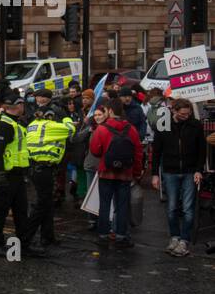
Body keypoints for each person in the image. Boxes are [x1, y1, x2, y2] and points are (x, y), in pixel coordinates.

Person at [0, 93, 45, 259]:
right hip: (5, 175)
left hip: (17, 174)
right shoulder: (4, 124)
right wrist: (1, 176)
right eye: (23, 104)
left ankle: (24, 244)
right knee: (0, 212)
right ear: (18, 106)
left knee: (21, 211)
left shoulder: (15, 122)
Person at [151, 96, 205, 257]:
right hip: (170, 170)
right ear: (173, 111)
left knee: (188, 208)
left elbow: (201, 150)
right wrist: (155, 174)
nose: (185, 117)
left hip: (189, 170)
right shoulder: (163, 125)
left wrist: (198, 170)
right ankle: (175, 237)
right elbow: (157, 151)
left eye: (187, 114)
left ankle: (184, 240)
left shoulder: (195, 125)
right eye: (182, 114)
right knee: (172, 207)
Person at [88, 97, 143, 248]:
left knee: (105, 204)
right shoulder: (131, 129)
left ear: (110, 111)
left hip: (106, 171)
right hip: (125, 172)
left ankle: (103, 235)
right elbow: (138, 152)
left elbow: (94, 150)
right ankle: (121, 236)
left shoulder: (102, 128)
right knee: (122, 205)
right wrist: (137, 173)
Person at [26, 107, 74, 246]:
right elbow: (70, 129)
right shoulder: (51, 126)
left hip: (36, 167)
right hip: (44, 169)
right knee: (42, 204)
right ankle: (26, 237)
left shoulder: (33, 125)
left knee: (47, 204)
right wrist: (66, 117)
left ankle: (47, 237)